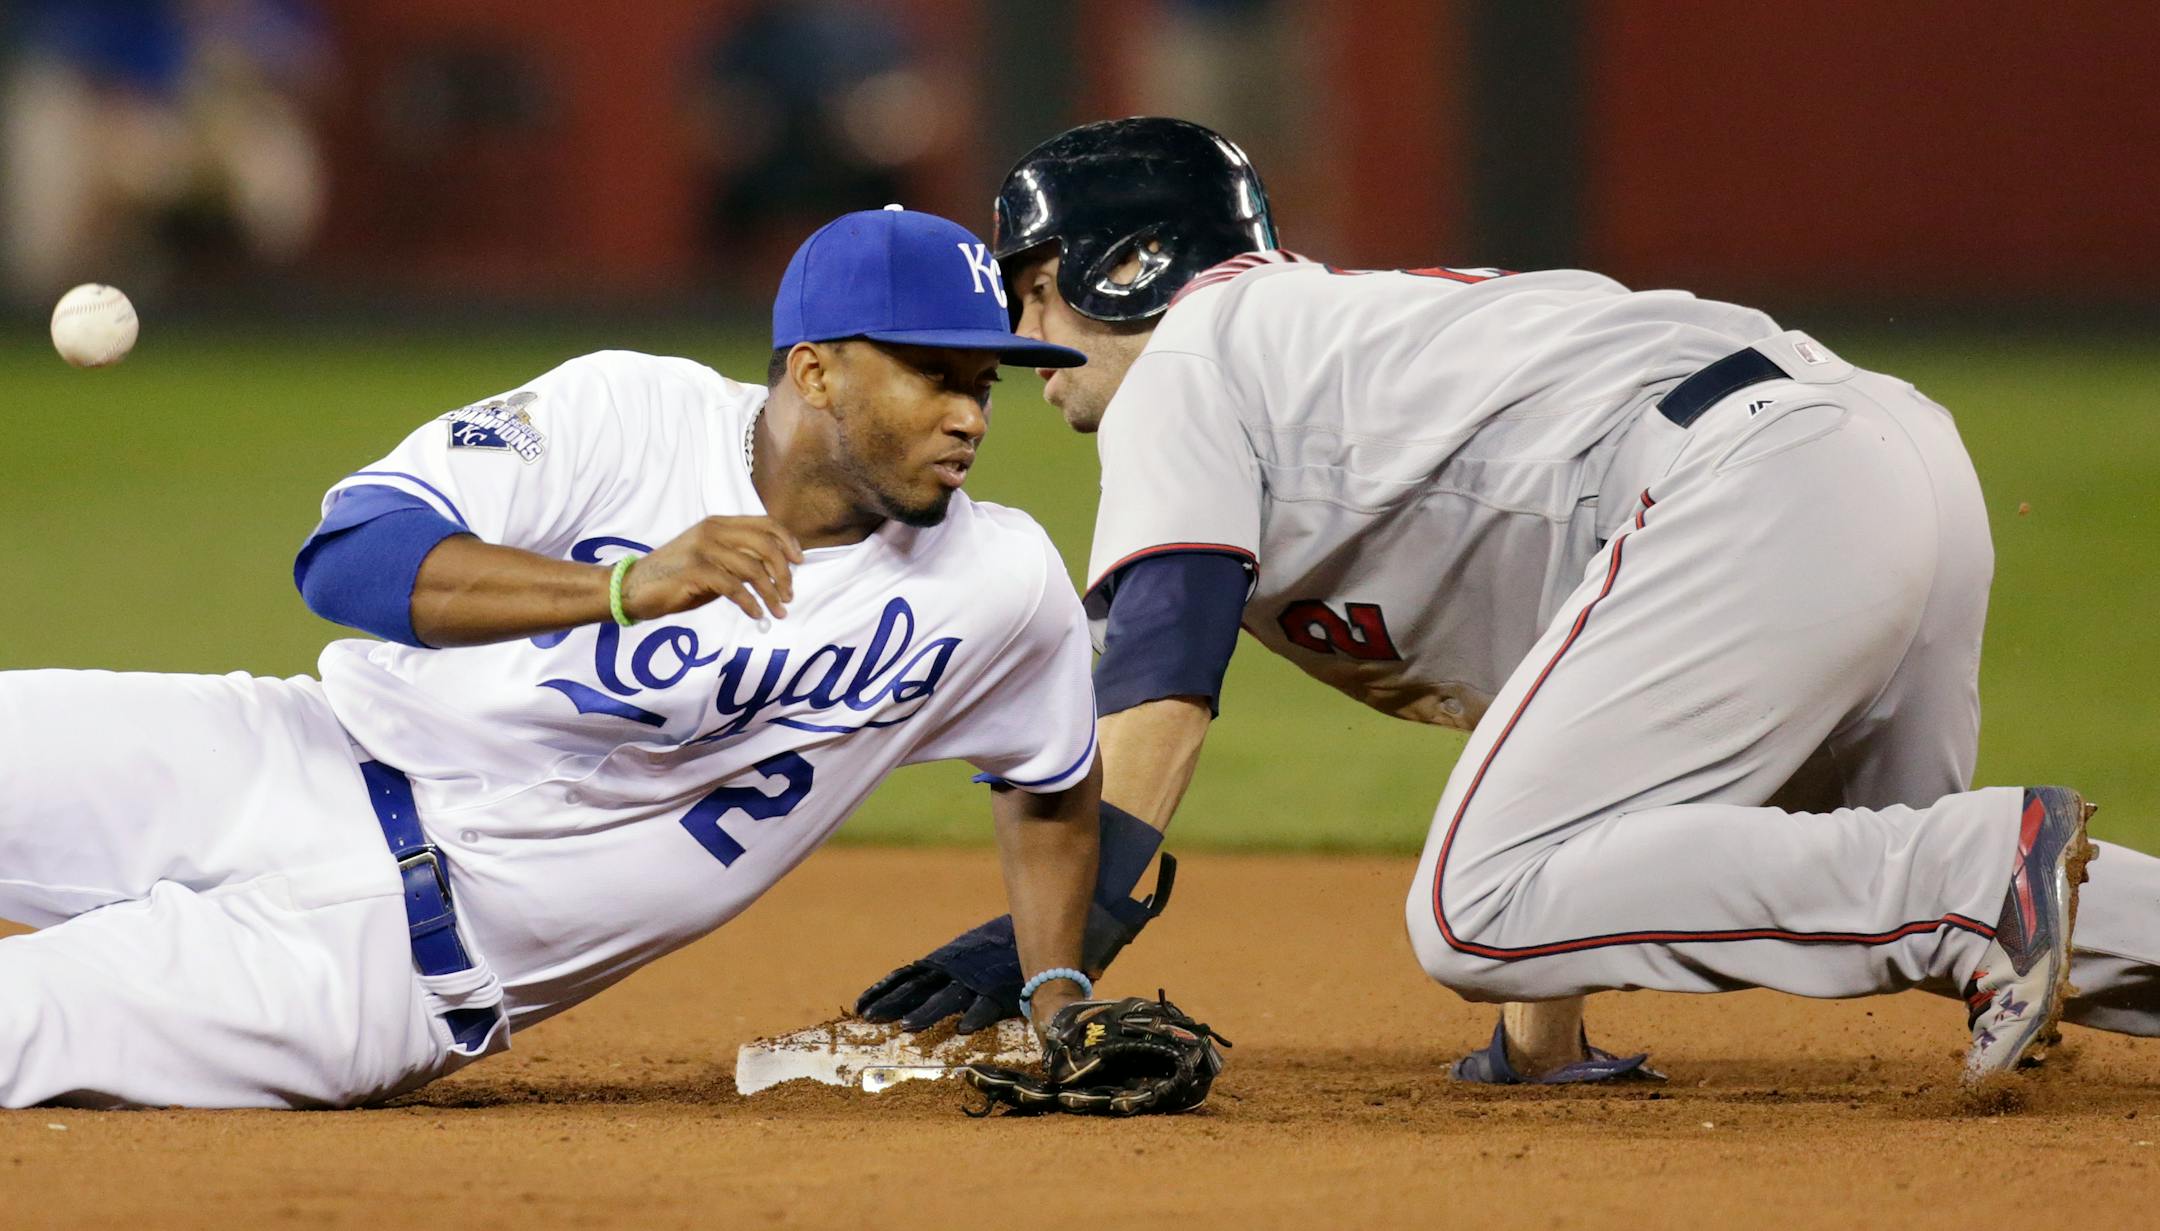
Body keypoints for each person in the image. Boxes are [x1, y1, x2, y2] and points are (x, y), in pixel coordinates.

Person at [860, 117, 2160, 1087]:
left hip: (1758, 480)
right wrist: (1542, 1043)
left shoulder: (1193, 359)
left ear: (1130, 264)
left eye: (1037, 291)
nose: (1028, 355)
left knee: (1473, 908)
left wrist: (1070, 927)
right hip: (1876, 457)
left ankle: (1982, 869)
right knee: (1867, 855)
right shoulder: (1324, 364)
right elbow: (1574, 760)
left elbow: (1156, 674)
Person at [0, 207, 1111, 1109]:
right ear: (815, 372)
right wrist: (618, 589)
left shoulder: (999, 585)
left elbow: (1053, 784)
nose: (968, 413)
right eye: (934, 372)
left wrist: (1056, 994)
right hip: (300, 755)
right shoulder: (628, 412)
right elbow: (348, 560)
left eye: (985, 382)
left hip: (383, 965)